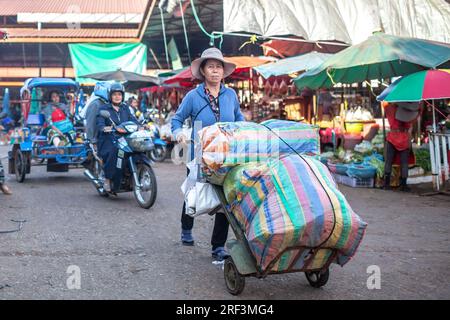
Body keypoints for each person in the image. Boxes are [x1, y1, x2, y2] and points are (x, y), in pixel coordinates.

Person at [171, 47, 245, 261]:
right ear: (203, 71)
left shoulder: (230, 94)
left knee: (225, 199)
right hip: (198, 154)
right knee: (192, 195)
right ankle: (186, 228)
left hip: (227, 155)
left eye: (218, 67)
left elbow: (239, 118)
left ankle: (218, 246)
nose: (215, 71)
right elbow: (177, 119)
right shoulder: (193, 96)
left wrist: (244, 130)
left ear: (223, 71)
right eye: (211, 67)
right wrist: (178, 134)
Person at [96, 83, 140, 193]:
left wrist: (140, 126)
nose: (117, 96)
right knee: (114, 151)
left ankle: (133, 173)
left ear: (122, 96)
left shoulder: (125, 108)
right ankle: (107, 178)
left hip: (124, 138)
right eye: (114, 94)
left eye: (119, 94)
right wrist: (105, 128)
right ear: (110, 95)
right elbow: (100, 123)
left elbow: (133, 120)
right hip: (108, 138)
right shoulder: (104, 108)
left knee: (138, 148)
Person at [383, 102, 422, 192]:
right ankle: (404, 185)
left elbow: (385, 104)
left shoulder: (391, 110)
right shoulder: (410, 114)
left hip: (393, 137)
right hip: (404, 138)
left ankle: (386, 184)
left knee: (388, 161)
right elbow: (418, 112)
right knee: (404, 163)